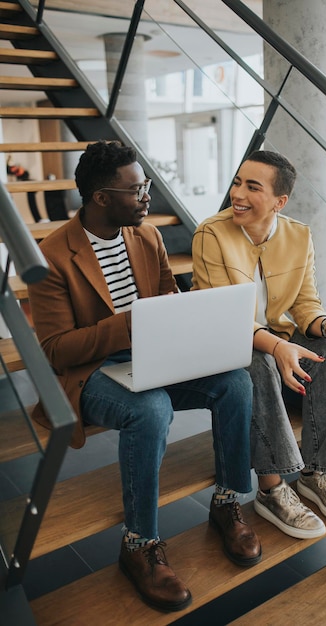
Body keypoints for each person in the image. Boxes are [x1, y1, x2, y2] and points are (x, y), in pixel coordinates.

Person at [27, 141, 261, 614]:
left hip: (153, 356)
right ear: (101, 198)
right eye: (136, 190)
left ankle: (226, 500)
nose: (147, 197)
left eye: (147, 186)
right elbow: (54, 350)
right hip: (91, 372)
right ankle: (139, 543)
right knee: (151, 409)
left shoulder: (147, 236)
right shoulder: (53, 255)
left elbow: (167, 299)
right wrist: (127, 323)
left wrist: (188, 321)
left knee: (236, 382)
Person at [191, 149, 326, 541]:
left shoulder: (298, 235)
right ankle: (272, 488)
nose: (237, 194)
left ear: (279, 201)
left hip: (277, 335)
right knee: (257, 364)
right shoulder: (211, 233)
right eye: (238, 182)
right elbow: (225, 317)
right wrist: (276, 348)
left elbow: (306, 303)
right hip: (224, 341)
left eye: (252, 187)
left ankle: (316, 474)